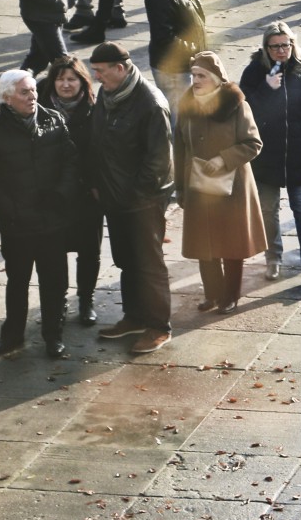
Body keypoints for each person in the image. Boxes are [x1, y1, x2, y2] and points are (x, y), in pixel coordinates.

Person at [0, 70, 78, 359]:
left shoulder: (53, 120)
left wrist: (60, 195)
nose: (32, 97)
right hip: (17, 223)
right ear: (7, 99)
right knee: (17, 281)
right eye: (24, 92)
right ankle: (12, 335)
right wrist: (9, 207)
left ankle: (53, 336)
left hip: (52, 219)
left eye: (33, 91)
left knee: (54, 281)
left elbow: (70, 162)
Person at [87, 42, 172, 354]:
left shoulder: (150, 104)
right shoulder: (109, 96)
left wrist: (135, 196)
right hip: (115, 197)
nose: (96, 77)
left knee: (149, 263)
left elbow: (159, 161)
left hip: (143, 200)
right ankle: (134, 316)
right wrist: (99, 184)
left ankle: (158, 326)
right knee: (126, 260)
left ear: (120, 69)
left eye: (101, 71)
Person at [173, 52, 264, 315]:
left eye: (201, 75)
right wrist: (179, 186)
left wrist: (223, 159)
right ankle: (212, 294)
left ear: (216, 79)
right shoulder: (187, 105)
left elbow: (253, 144)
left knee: (231, 244)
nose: (196, 80)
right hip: (198, 185)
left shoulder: (236, 105)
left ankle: (230, 296)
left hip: (231, 186)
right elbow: (179, 147)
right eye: (193, 75)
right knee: (204, 243)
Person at [239, 24, 301, 283]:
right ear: (266, 47)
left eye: (285, 45)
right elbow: (243, 109)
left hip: (298, 153)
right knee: (268, 210)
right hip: (267, 156)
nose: (281, 50)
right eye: (275, 46)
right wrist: (266, 89)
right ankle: (273, 259)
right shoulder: (255, 72)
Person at [36, 55, 103, 322]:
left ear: (81, 82)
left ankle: (86, 300)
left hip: (86, 194)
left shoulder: (95, 108)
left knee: (89, 251)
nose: (65, 85)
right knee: (54, 252)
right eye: (60, 79)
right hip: (53, 195)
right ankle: (59, 301)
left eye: (71, 79)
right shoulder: (39, 109)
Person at [142, 0, 206, 113]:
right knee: (180, 118)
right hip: (174, 70)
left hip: (186, 63)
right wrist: (194, 51)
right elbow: (164, 37)